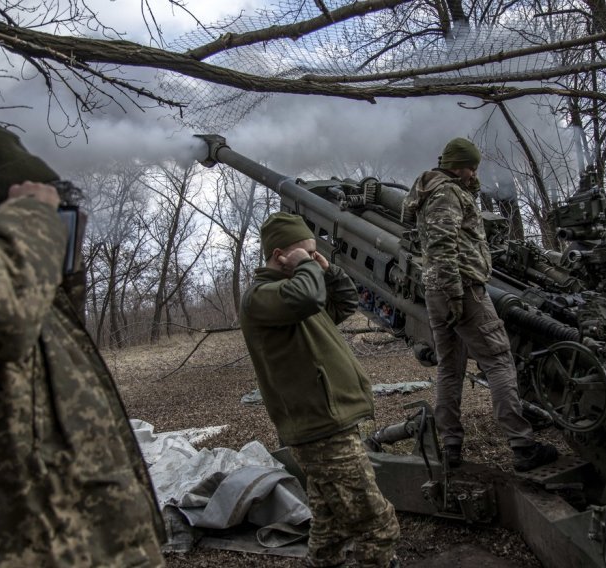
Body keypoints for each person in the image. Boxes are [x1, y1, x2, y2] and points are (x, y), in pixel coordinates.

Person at [0, 129, 165, 566]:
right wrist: (31, 221)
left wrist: (60, 267)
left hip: (101, 540)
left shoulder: (25, 285)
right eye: (44, 219)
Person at [239, 212, 399, 568]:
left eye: (314, 254)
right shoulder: (263, 297)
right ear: (279, 255)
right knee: (376, 523)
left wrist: (327, 270)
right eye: (304, 253)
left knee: (330, 523)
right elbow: (308, 299)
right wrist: (307, 271)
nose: (311, 260)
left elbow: (344, 304)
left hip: (329, 420)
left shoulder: (297, 294)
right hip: (320, 426)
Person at [404, 137, 558, 471]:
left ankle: (451, 446)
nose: (475, 174)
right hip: (463, 290)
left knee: (450, 367)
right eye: (471, 167)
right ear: (456, 166)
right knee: (500, 361)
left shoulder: (436, 190)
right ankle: (522, 445)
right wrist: (457, 293)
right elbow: (445, 246)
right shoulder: (445, 193)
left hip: (439, 290)